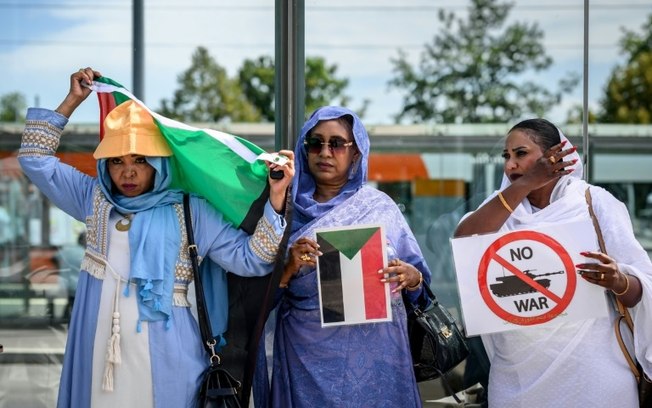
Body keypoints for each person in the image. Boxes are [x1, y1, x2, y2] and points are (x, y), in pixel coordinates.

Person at [17, 67, 294, 408]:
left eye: (140, 160)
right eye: (116, 161)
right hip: (97, 348)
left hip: (171, 355)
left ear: (159, 163)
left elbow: (253, 259)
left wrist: (277, 199)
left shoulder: (193, 210)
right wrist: (72, 101)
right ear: (105, 165)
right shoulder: (94, 199)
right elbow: (34, 159)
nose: (128, 171)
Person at [454, 118, 652, 407]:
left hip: (596, 379)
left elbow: (640, 290)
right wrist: (528, 182)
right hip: (517, 381)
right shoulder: (500, 209)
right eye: (506, 157)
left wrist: (618, 280)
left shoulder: (593, 203)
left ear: (555, 156)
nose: (510, 165)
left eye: (521, 154)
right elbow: (464, 240)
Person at [254, 106, 432, 407]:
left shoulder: (379, 207)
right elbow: (256, 304)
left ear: (356, 154)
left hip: (378, 362)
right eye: (315, 143)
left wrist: (411, 279)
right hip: (305, 361)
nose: (325, 152)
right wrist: (288, 268)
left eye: (336, 144)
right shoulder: (281, 210)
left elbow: (422, 292)